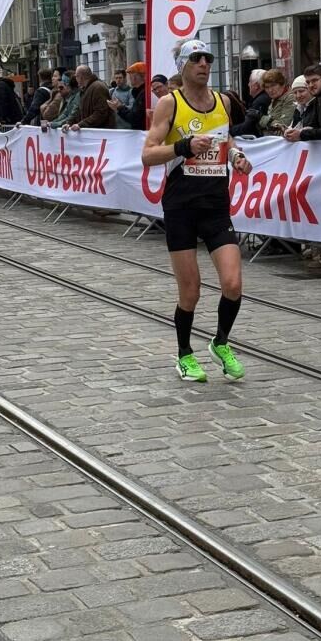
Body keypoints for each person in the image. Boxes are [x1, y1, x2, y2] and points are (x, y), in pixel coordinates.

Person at [142, 39, 252, 383]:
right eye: (196, 59)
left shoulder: (223, 102)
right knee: (190, 291)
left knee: (233, 283)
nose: (204, 64)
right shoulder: (169, 103)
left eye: (208, 58)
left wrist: (237, 156)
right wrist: (184, 146)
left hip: (216, 204)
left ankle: (220, 342)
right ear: (183, 66)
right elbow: (148, 154)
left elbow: (227, 139)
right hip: (181, 206)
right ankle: (185, 354)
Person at [70, 64, 116, 130]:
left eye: (76, 76)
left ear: (81, 77)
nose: (76, 79)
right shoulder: (85, 89)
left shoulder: (98, 87)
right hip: (93, 132)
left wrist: (81, 124)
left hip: (101, 132)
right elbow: (78, 111)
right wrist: (69, 123)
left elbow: (101, 112)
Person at [230, 69, 269, 136]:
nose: (248, 85)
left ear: (256, 86)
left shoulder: (260, 101)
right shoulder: (263, 98)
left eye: (250, 82)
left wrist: (229, 131)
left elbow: (247, 127)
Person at [256, 70, 296, 135]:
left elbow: (284, 125)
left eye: (273, 85)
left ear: (282, 84)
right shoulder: (275, 98)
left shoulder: (290, 98)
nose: (270, 90)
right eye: (267, 87)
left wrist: (263, 119)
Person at [108, 63, 146, 130]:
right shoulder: (111, 91)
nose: (118, 80)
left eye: (120, 78)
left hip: (127, 127)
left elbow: (133, 113)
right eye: (116, 78)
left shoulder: (134, 92)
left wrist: (119, 106)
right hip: (115, 126)